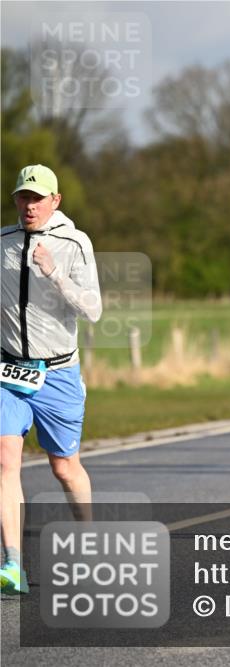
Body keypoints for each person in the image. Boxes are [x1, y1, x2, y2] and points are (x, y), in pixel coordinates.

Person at [1, 165, 102, 595]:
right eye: (24, 197)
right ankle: (11, 565)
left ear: (55, 201)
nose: (30, 205)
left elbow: (93, 310)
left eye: (38, 198)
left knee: (64, 467)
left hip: (58, 372)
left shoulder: (74, 243)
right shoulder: (2, 242)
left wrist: (53, 273)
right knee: (5, 460)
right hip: (8, 372)